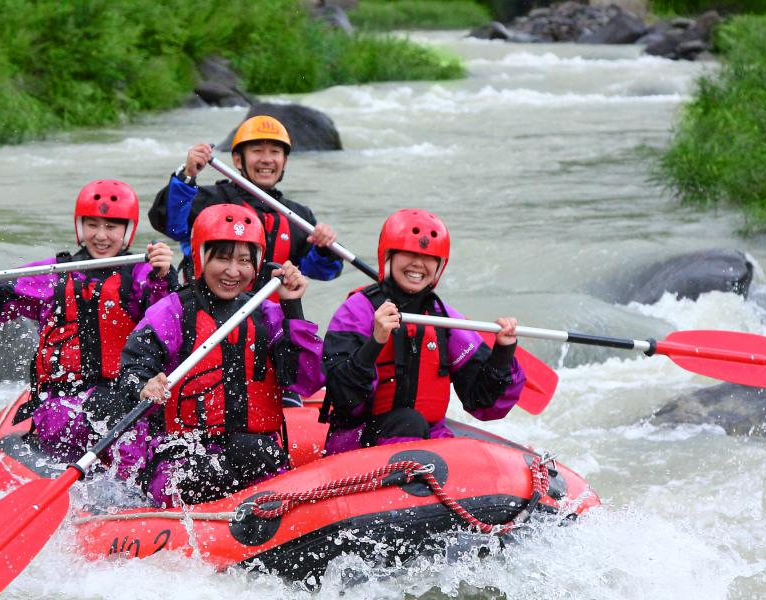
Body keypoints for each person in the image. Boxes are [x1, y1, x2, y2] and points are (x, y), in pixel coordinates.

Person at [0, 180, 176, 480]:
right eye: (92, 225)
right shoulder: (51, 274)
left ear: (128, 230)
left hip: (130, 399)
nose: (100, 235)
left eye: (111, 226)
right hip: (62, 402)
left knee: (134, 441)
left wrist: (164, 276)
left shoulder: (144, 275)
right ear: (78, 226)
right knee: (70, 419)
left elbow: (170, 325)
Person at [116, 203, 324, 507]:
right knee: (212, 470)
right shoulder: (172, 311)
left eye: (244, 260)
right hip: (184, 454)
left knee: (254, 451)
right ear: (201, 257)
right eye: (223, 258)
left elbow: (304, 381)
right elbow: (134, 367)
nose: (232, 271)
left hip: (253, 451)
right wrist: (144, 385)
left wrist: (293, 306)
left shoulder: (267, 312)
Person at [318, 209, 525, 454]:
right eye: (409, 252)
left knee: (418, 426)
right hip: (359, 441)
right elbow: (343, 398)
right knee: (408, 421)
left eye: (429, 257)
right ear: (389, 256)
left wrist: (503, 352)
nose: (418, 263)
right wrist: (375, 342)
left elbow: (482, 404)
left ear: (439, 267)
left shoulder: (445, 320)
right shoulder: (356, 312)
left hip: (428, 440)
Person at [148, 114, 343, 288]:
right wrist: (187, 175)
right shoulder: (209, 201)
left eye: (275, 152)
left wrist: (324, 247)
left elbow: (324, 271)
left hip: (271, 322)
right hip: (209, 317)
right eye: (257, 151)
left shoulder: (298, 216)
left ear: (284, 161)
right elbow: (171, 226)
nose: (267, 159)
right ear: (238, 160)